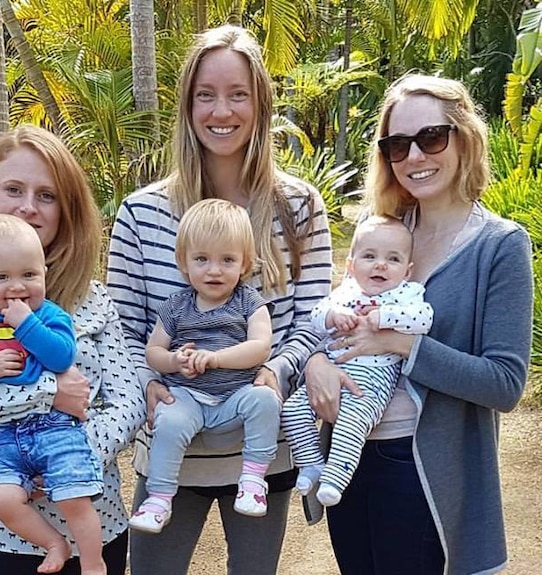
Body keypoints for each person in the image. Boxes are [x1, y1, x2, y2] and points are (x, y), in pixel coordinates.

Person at [107, 25, 333, 574]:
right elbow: (121, 331)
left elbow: (313, 321)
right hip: (172, 445)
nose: (221, 110)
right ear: (187, 105)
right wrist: (150, 381)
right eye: (205, 95)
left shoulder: (300, 206)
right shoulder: (141, 213)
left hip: (261, 445)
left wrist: (276, 371)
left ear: (260, 103)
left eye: (237, 94)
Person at [303, 74, 533, 574]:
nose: (414, 157)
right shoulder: (383, 233)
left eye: (431, 138)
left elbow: (504, 383)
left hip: (421, 465)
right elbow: (335, 314)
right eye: (397, 145)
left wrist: (404, 344)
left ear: (464, 137)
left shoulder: (500, 246)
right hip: (349, 453)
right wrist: (316, 361)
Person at [0, 125, 144, 575]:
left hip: (95, 527)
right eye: (14, 189)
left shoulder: (91, 296)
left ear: (66, 208)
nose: (28, 207)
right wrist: (47, 395)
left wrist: (63, 459)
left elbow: (129, 403)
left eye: (47, 195)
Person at [0, 214, 105, 575]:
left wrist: (26, 323)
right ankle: (54, 542)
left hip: (55, 427)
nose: (17, 287)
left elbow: (61, 356)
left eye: (28, 275)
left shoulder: (49, 314)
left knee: (74, 495)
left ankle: (92, 561)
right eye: (1, 277)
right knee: (0, 497)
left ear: (43, 273)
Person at [129, 198, 278, 534]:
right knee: (167, 420)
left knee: (266, 400)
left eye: (227, 259)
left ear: (244, 264)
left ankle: (253, 481)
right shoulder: (176, 306)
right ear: (183, 262)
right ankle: (160, 499)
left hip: (235, 396)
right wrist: (172, 361)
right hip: (188, 396)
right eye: (202, 259)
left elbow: (260, 346)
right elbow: (153, 349)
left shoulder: (248, 301)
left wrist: (216, 358)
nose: (214, 270)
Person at [281, 215, 433, 507]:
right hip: (333, 369)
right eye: (369, 256)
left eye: (393, 259)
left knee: (352, 422)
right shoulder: (345, 292)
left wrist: (385, 317)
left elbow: (424, 319)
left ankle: (335, 479)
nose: (380, 265)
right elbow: (315, 317)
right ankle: (311, 463)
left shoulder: (405, 294)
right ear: (351, 265)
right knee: (293, 411)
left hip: (374, 379)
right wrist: (332, 317)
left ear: (407, 270)